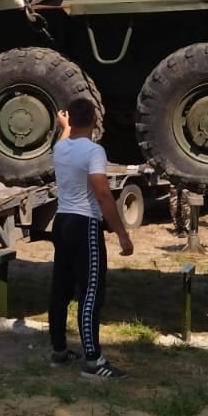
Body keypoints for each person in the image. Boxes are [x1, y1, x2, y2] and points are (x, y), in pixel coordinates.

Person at [47, 98, 133, 379]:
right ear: (95, 119)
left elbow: (65, 139)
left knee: (61, 288)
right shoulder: (95, 151)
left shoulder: (60, 147)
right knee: (91, 292)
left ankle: (59, 351)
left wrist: (64, 126)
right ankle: (93, 361)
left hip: (61, 222)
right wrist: (122, 234)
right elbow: (103, 194)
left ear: (70, 119)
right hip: (85, 224)